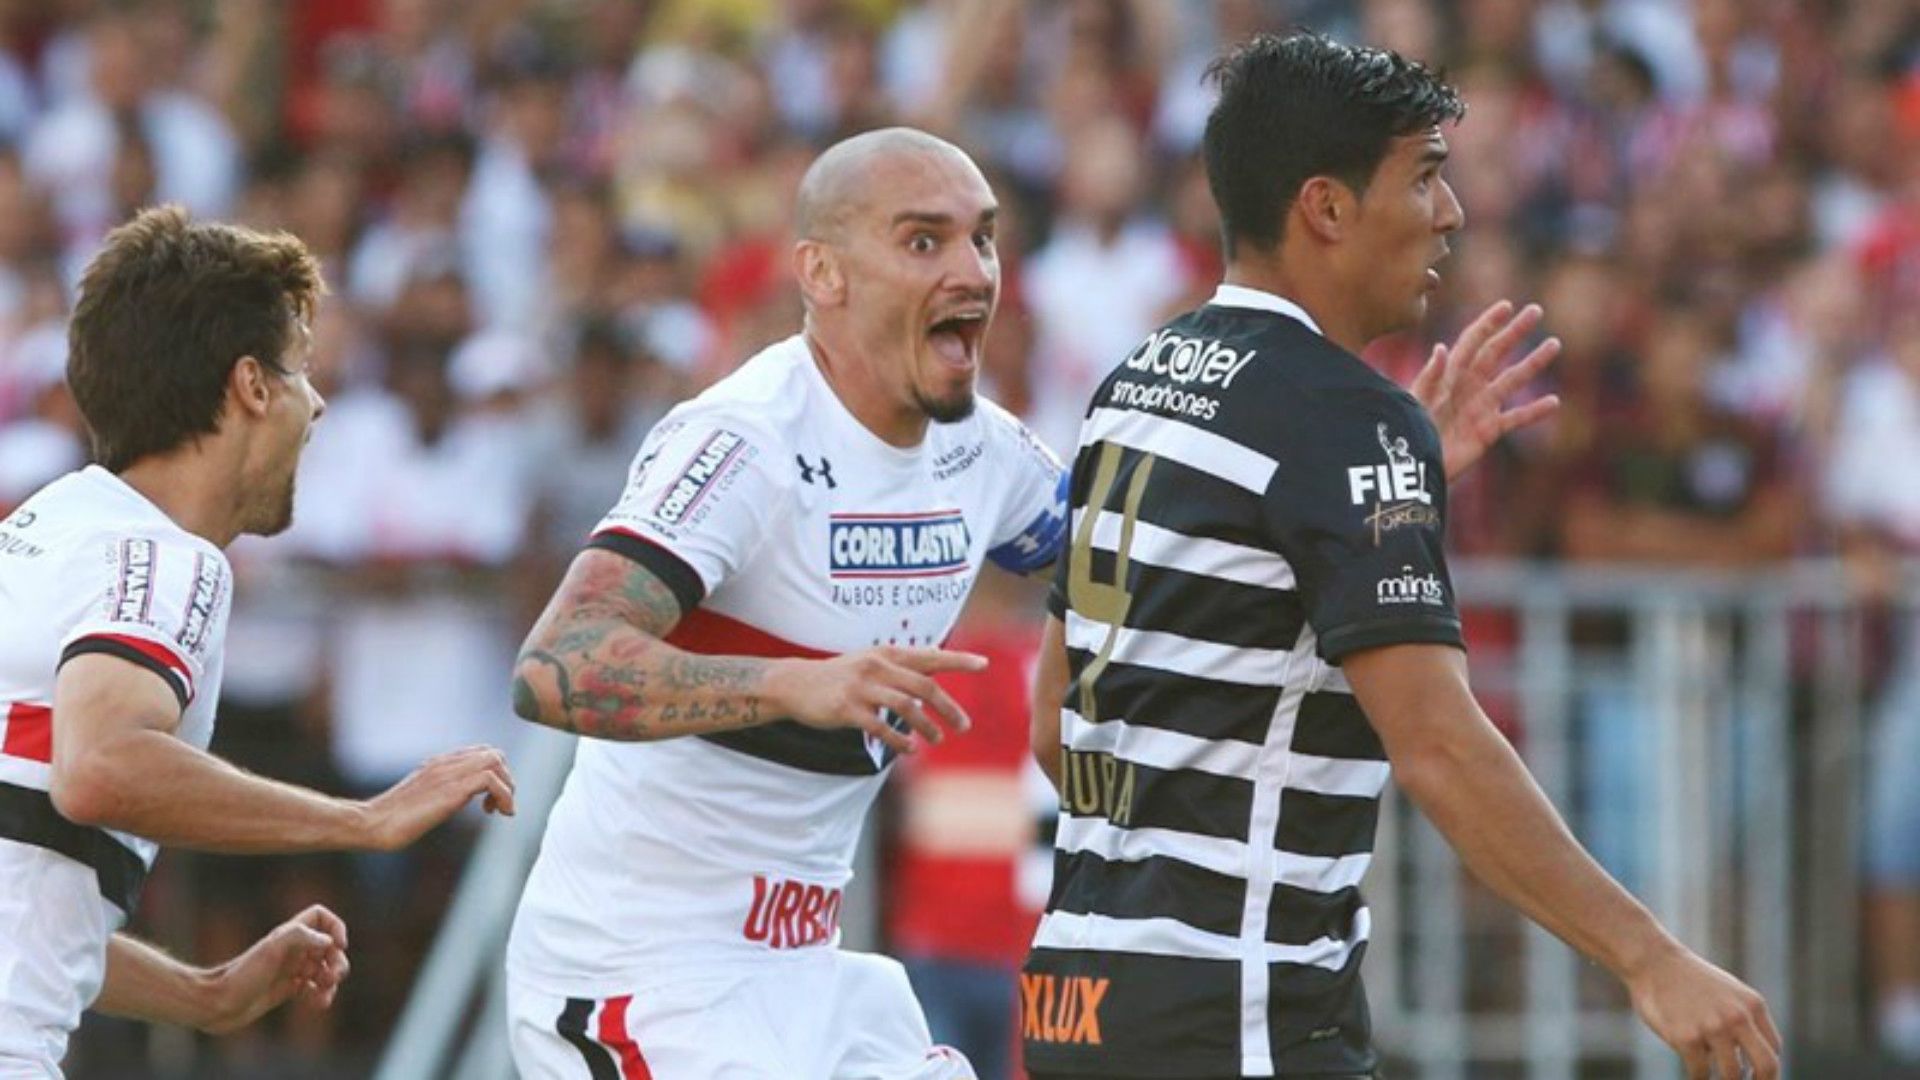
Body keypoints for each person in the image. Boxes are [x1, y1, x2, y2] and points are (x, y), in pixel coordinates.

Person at [1021, 32, 1781, 1080]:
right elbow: (1440, 747)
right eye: (1424, 175)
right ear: (1327, 208)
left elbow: (1053, 716)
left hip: (1081, 1001)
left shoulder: (1134, 386)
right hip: (1239, 1013)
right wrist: (1650, 958)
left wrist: (1371, 507)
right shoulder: (1338, 421)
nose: (1451, 213)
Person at [503, 127, 1067, 1079]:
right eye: (924, 241)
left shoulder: (985, 451)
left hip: (811, 979)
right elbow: (557, 664)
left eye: (984, 238)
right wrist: (788, 685)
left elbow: (1131, 564)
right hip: (644, 980)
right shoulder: (742, 442)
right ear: (822, 273)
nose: (972, 272)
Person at [0, 205, 516, 1078]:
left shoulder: (47, 529)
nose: (315, 405)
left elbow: (31, 897)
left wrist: (207, 995)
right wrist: (366, 820)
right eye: (301, 370)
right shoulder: (167, 559)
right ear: (249, 385)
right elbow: (101, 768)